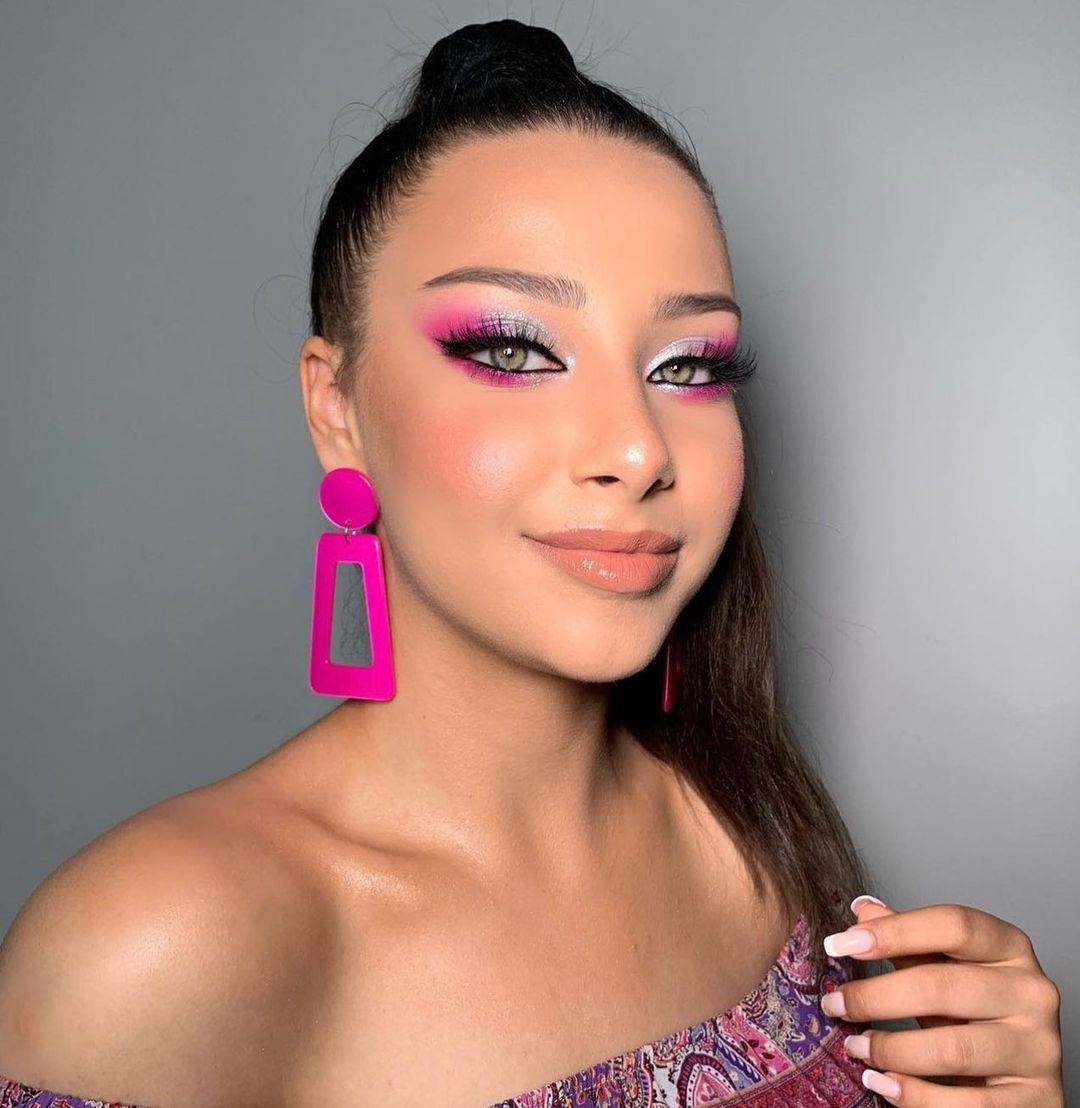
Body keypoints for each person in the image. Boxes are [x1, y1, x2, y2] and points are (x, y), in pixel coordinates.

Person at [0, 18, 1063, 1108]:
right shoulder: (156, 952)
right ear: (336, 409)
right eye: (513, 349)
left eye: (688, 365)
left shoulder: (743, 832)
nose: (638, 450)